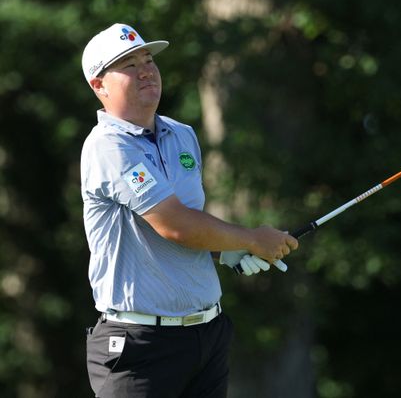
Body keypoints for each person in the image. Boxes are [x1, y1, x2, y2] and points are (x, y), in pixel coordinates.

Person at [80, 23, 298, 398]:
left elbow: (180, 226)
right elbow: (175, 225)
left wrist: (226, 250)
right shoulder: (108, 146)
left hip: (207, 336)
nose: (146, 71)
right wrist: (252, 239)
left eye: (148, 60)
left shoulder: (182, 135)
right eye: (129, 65)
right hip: (140, 344)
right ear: (99, 85)